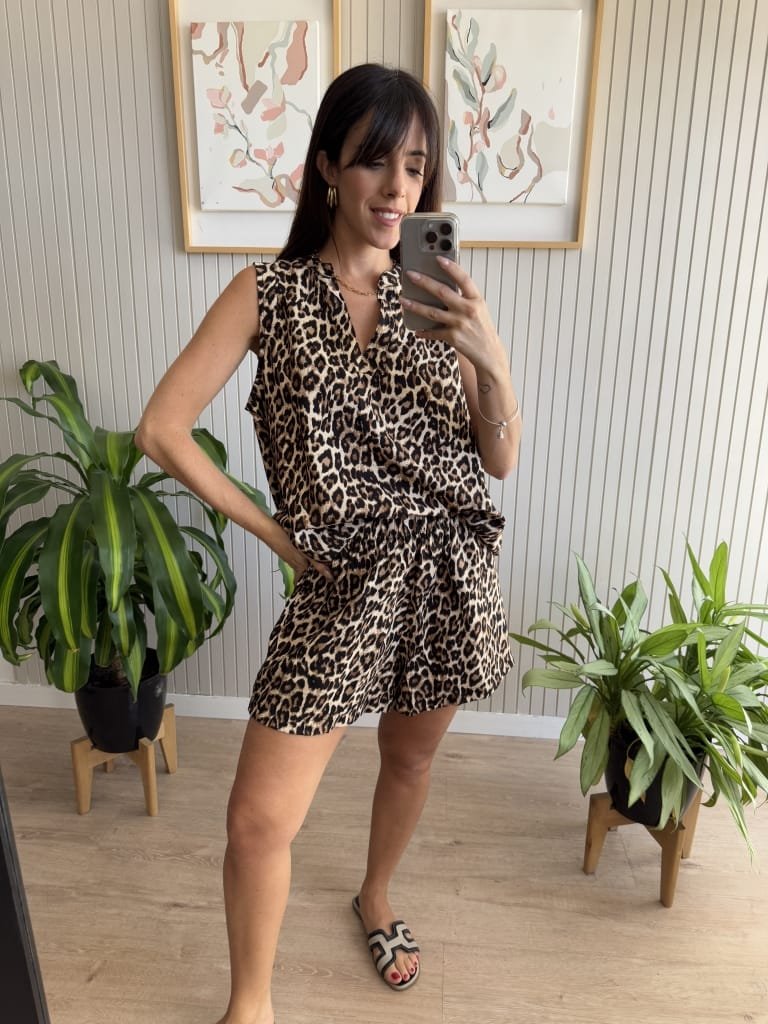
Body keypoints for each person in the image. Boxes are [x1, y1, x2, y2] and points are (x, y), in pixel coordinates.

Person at [136, 62, 521, 1024]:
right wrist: (278, 536)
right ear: (326, 169)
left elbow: (501, 461)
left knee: (410, 761)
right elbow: (161, 429)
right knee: (256, 821)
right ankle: (251, 1007)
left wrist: (489, 357)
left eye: (416, 168)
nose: (398, 190)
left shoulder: (440, 296)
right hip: (342, 581)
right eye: (375, 162)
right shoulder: (268, 294)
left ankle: (375, 895)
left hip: (449, 572)